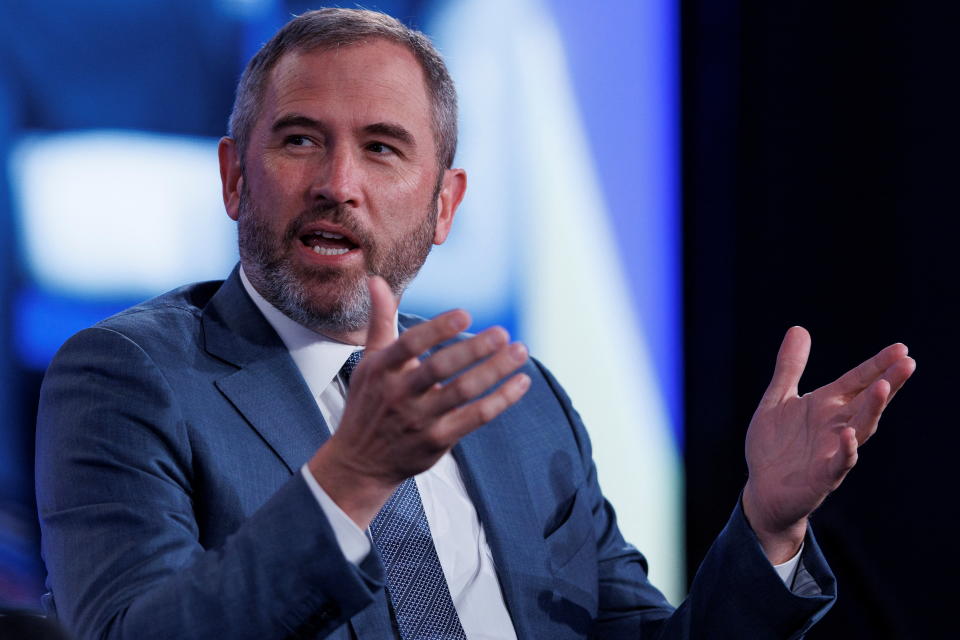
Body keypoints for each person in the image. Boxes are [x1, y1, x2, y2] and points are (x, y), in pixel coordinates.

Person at [35, 8, 916, 640]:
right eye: (300, 139)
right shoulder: (129, 377)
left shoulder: (521, 403)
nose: (338, 183)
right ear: (234, 177)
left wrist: (765, 527)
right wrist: (351, 476)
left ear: (445, 204)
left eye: (382, 147)